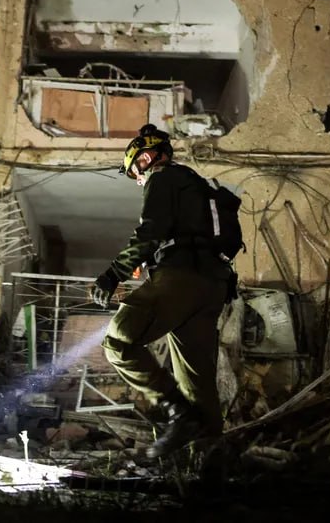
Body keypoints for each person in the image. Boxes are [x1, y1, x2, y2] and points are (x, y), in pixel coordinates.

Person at [90, 124, 233, 458]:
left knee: (119, 340)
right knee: (197, 381)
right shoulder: (197, 186)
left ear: (153, 156)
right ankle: (209, 461)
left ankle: (178, 414)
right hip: (212, 285)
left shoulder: (163, 177)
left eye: (138, 167)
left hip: (181, 278)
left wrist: (113, 275)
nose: (139, 177)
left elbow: (150, 231)